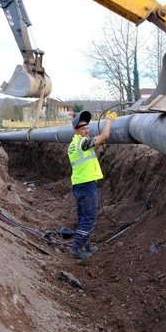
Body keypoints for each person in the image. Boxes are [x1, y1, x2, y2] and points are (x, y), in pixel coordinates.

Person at [67, 110, 111, 259]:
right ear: (76, 130)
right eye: (82, 128)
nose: (86, 130)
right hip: (86, 185)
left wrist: (97, 144)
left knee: (82, 216)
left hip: (79, 185)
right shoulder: (82, 142)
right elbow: (105, 135)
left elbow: (91, 150)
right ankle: (77, 248)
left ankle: (86, 246)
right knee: (89, 218)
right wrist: (109, 121)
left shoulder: (74, 144)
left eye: (87, 127)